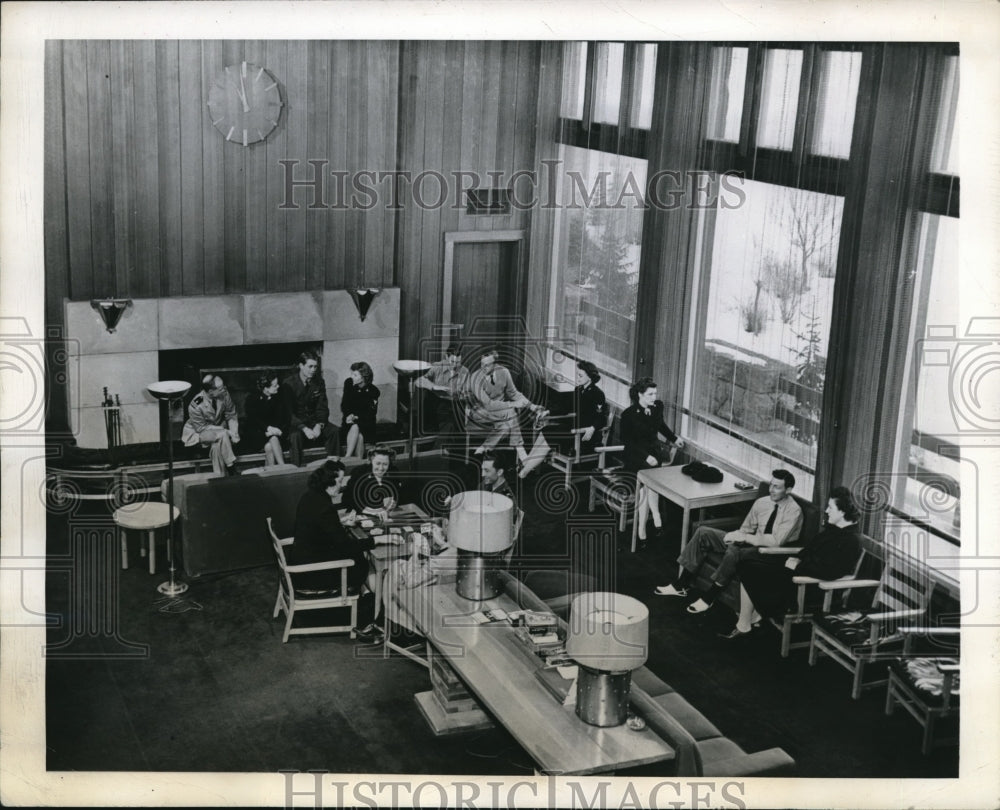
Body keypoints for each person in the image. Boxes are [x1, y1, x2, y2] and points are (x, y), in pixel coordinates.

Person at [719, 486, 862, 638]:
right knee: (747, 563)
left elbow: (831, 572)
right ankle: (750, 619)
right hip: (801, 573)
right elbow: (809, 549)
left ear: (842, 511)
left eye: (830, 507)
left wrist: (799, 565)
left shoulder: (850, 541)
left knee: (752, 570)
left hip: (811, 587)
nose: (826, 511)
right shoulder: (833, 530)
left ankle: (745, 625)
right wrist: (797, 559)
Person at [654, 469, 803, 614]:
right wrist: (735, 535)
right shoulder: (762, 503)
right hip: (750, 543)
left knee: (734, 551)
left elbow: (776, 542)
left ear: (788, 490)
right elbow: (746, 528)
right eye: (771, 485)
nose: (771, 490)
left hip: (770, 553)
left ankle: (709, 597)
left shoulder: (794, 511)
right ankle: (681, 585)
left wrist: (744, 538)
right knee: (703, 532)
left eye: (776, 487)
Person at [518, 359, 608, 478]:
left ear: (590, 378)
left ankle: (524, 472)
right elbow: (567, 407)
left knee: (551, 436)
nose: (578, 378)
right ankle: (528, 464)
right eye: (577, 375)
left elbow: (601, 418)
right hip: (573, 428)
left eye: (580, 375)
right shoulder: (579, 389)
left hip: (584, 435)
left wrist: (592, 428)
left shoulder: (597, 394)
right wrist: (548, 411)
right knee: (546, 430)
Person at [620, 377, 684, 543]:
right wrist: (645, 457)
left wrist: (674, 438)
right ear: (640, 395)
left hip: (654, 455)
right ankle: (651, 520)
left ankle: (643, 529)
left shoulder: (656, 408)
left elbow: (661, 425)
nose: (654, 397)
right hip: (635, 457)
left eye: (655, 393)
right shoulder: (628, 415)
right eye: (650, 394)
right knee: (646, 486)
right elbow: (627, 441)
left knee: (648, 486)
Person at [466, 345, 543, 462]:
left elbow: (514, 394)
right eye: (482, 364)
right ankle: (520, 449)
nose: (483, 367)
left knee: (506, 426)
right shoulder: (475, 378)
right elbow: (489, 405)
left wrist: (532, 406)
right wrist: (512, 405)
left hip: (503, 414)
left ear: (495, 364)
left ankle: (484, 448)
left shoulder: (504, 372)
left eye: (487, 365)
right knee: (511, 412)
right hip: (480, 412)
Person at [281, 350, 339, 466]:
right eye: (310, 366)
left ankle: (333, 465)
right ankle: (296, 469)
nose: (313, 370)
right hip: (296, 423)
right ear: (301, 366)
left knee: (334, 431)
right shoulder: (288, 383)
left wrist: (319, 424)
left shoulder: (319, 382)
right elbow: (288, 413)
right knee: (295, 436)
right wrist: (304, 428)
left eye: (315, 367)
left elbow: (322, 407)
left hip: (314, 421)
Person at [181, 374, 241, 476]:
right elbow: (201, 428)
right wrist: (225, 431)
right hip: (198, 433)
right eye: (221, 388)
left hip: (217, 432)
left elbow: (231, 414)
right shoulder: (195, 405)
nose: (224, 390)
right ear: (210, 392)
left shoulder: (224, 394)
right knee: (222, 435)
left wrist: (234, 432)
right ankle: (231, 467)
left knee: (217, 446)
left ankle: (219, 477)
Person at [414, 343, 470, 436]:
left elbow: (467, 393)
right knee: (446, 426)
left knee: (455, 428)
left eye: (458, 362)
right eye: (452, 362)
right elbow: (418, 380)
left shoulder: (465, 371)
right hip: (437, 402)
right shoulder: (436, 367)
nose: (455, 365)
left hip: (455, 404)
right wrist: (434, 386)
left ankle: (443, 448)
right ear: (446, 357)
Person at [344, 444, 407, 515]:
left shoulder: (393, 472)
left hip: (385, 515)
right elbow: (347, 500)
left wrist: (394, 503)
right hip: (361, 515)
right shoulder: (359, 472)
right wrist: (371, 511)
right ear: (371, 460)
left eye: (385, 464)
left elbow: (399, 496)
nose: (381, 468)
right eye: (378, 463)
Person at [243, 372, 289, 466]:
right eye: (275, 385)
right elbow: (254, 420)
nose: (278, 387)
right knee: (272, 438)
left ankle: (271, 472)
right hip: (257, 435)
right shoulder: (252, 399)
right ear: (266, 388)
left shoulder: (278, 398)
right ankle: (283, 466)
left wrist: (274, 430)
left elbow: (281, 418)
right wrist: (268, 429)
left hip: (274, 433)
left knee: (269, 447)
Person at [340, 361, 380, 458]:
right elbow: (344, 404)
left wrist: (356, 418)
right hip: (349, 422)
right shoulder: (349, 383)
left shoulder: (374, 391)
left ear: (364, 376)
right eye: (352, 374)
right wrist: (348, 415)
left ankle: (347, 457)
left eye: (355, 375)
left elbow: (371, 413)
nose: (352, 376)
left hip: (367, 424)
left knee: (357, 427)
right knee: (359, 435)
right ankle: (358, 462)